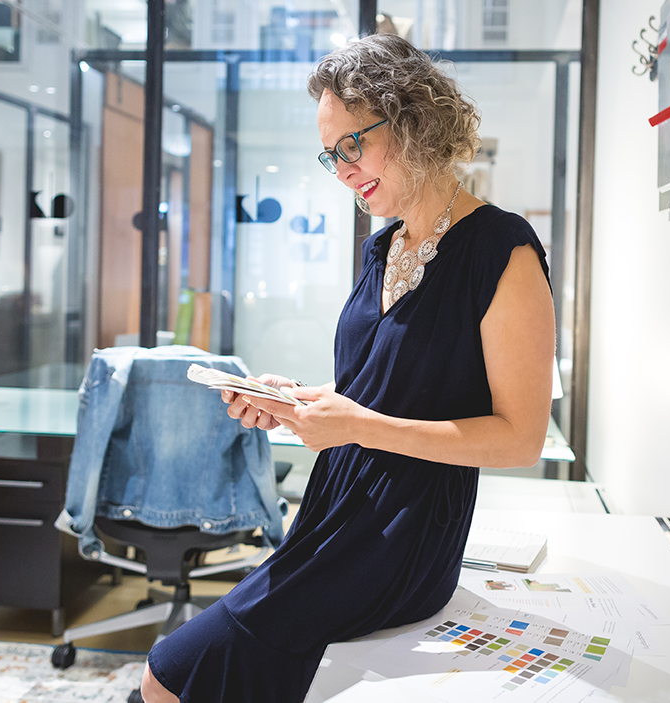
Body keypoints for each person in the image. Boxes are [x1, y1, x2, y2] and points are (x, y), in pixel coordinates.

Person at [140, 32, 555, 702]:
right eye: (330, 156)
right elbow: (380, 387)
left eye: (351, 146)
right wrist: (297, 401)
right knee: (193, 671)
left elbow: (519, 436)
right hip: (335, 510)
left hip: (404, 530)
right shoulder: (382, 245)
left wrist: (356, 425)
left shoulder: (501, 251)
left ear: (413, 121)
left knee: (167, 675)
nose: (341, 171)